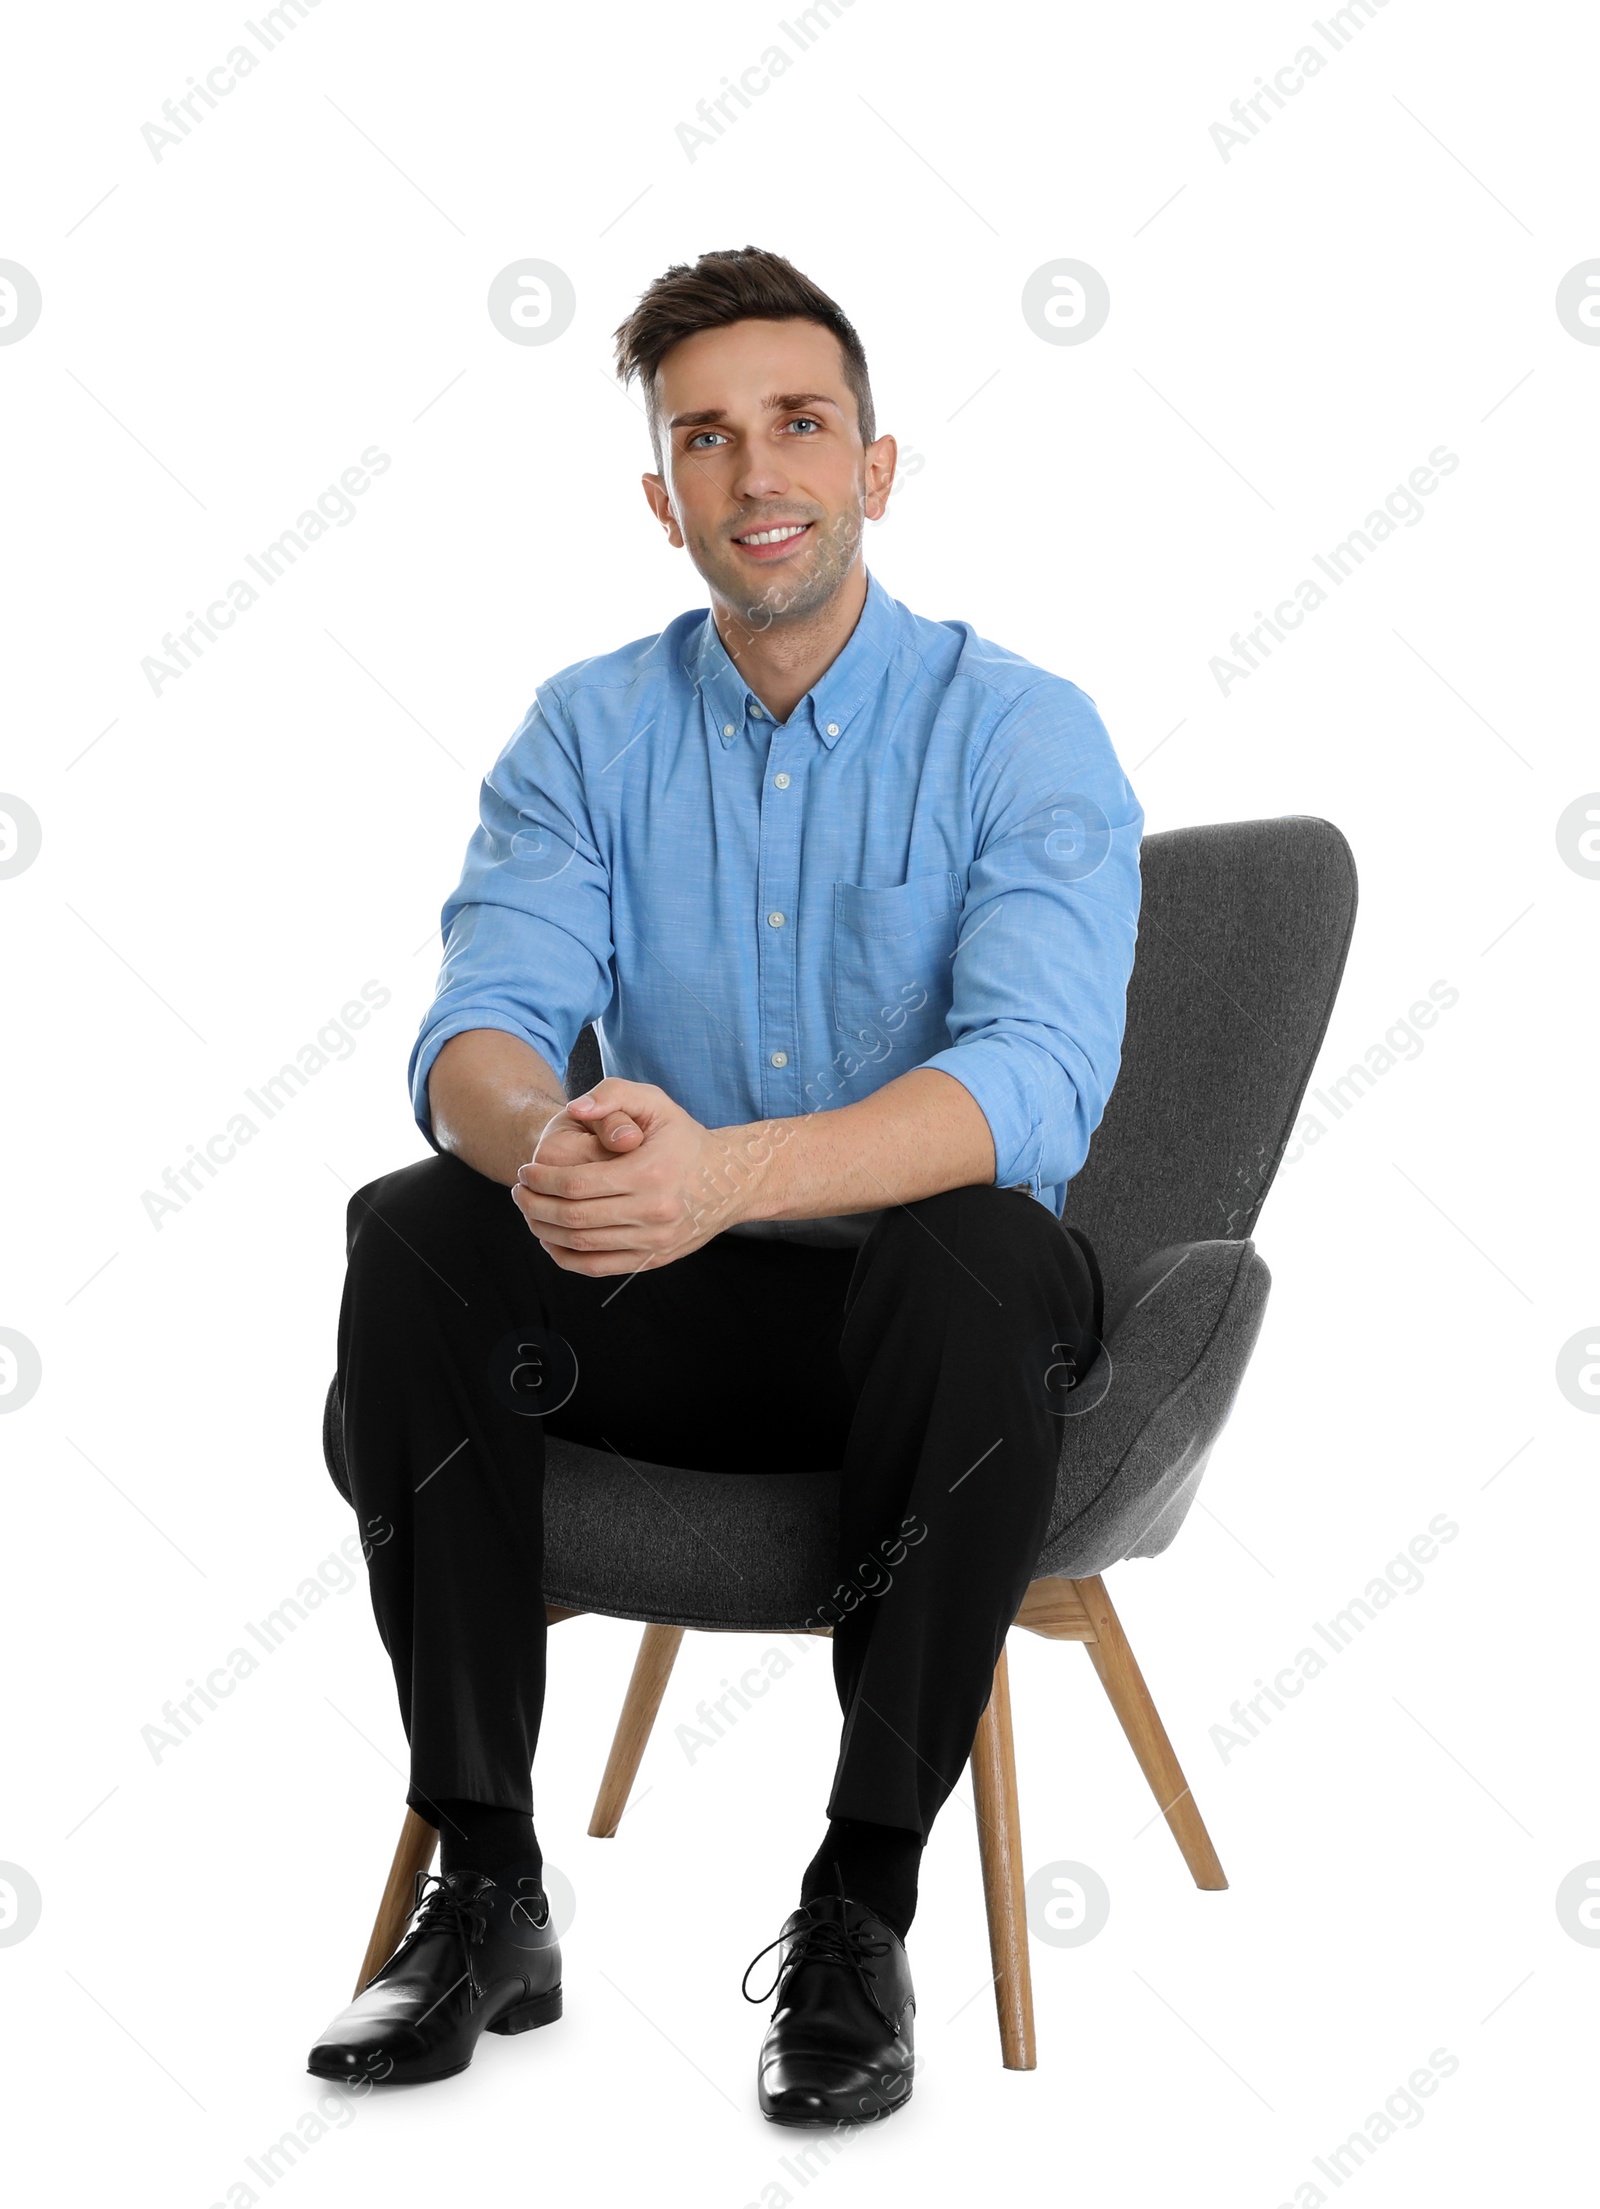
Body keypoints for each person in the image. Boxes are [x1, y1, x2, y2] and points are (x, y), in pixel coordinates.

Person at [307, 244, 1143, 2124]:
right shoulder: (587, 733)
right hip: (680, 1314)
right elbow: (481, 1025)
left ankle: (859, 1906)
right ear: (659, 493)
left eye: (798, 425)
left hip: (924, 1336)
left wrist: (731, 1173)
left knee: (977, 1256)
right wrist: (548, 1145)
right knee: (417, 1230)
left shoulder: (1019, 728)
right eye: (706, 437)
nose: (755, 472)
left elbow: (1035, 1080)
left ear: (877, 465)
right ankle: (489, 1880)